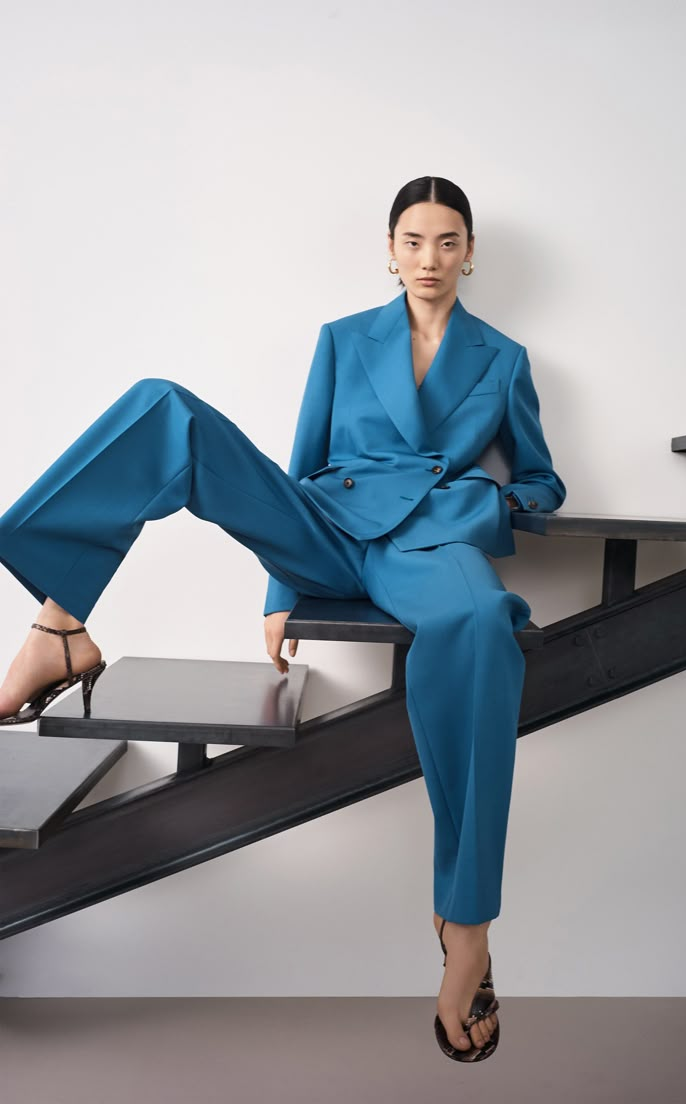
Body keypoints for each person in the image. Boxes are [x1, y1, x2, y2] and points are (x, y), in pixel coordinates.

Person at [0, 175, 566, 1062]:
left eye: (448, 241)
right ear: (389, 251)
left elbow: (542, 481)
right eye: (413, 241)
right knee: (166, 408)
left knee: (484, 627)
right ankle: (58, 621)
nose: (429, 258)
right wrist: (279, 590)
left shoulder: (503, 359)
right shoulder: (342, 341)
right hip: (331, 527)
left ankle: (467, 925)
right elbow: (300, 464)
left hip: (430, 547)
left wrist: (480, 505)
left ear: (469, 253)